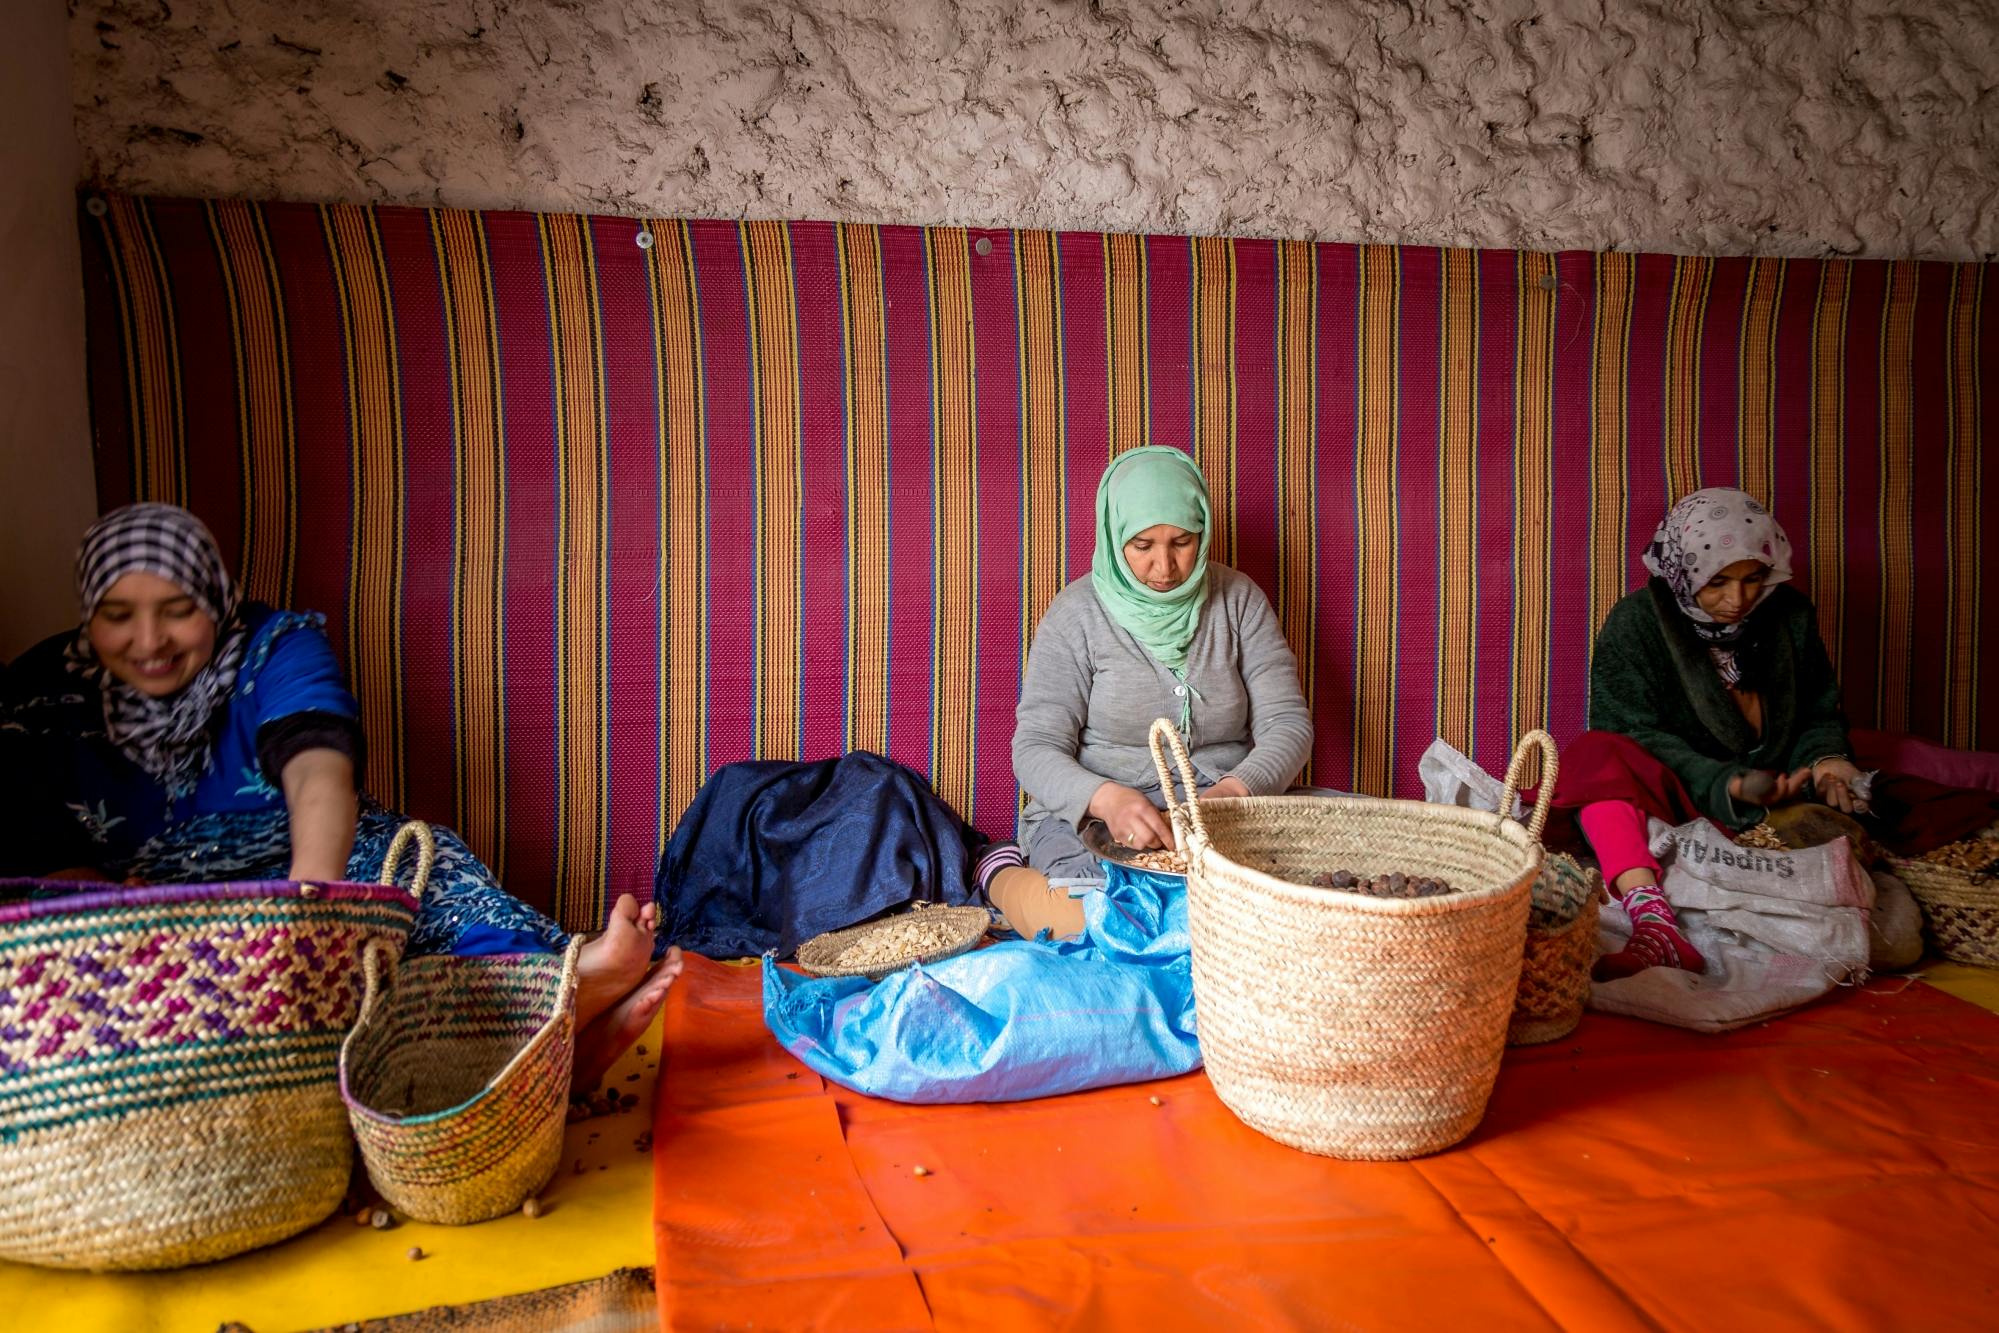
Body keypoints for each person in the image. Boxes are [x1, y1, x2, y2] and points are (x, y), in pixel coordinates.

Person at [0, 503, 679, 1088]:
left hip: (314, 865)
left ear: (213, 599)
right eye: (118, 616)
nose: (148, 641)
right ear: (89, 613)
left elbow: (318, 775)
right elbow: (38, 855)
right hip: (152, 904)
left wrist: (306, 922)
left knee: (423, 883)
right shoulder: (42, 697)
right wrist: (125, 924)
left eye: (177, 612)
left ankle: (549, 997)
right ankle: (555, 1045)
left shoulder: (273, 648)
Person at [1555, 487, 1999, 980]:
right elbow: (1630, 733)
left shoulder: (1789, 616)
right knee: (1592, 757)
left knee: (1900, 885)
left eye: (1754, 578)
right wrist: (1727, 783)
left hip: (1780, 788)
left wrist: (1830, 760)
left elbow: (1818, 713)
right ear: (1682, 572)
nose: (1738, 600)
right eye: (1717, 581)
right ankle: (1654, 923)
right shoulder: (1636, 624)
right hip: (1679, 786)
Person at [984, 445, 1313, 939]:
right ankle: (1000, 873)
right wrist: (1106, 799)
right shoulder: (1076, 616)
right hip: (1097, 820)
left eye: (1182, 542)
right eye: (1142, 546)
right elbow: (1034, 749)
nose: (1165, 567)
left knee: (1306, 910)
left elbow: (1287, 723)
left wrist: (1233, 794)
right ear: (1114, 537)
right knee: (1094, 926)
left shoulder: (1239, 602)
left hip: (1230, 809)